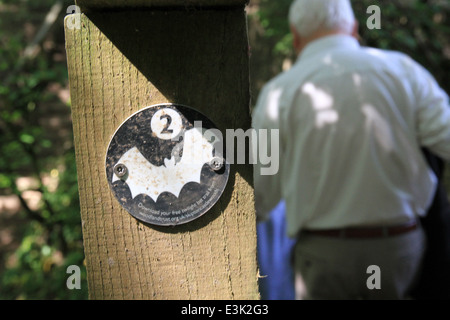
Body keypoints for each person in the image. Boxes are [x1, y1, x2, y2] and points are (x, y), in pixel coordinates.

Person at [252, 0, 450, 300]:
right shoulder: (405, 71)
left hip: (325, 255)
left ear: (295, 35)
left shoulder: (279, 92)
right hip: (398, 248)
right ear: (354, 28)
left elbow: (261, 193)